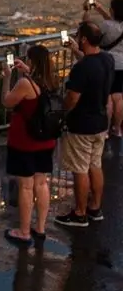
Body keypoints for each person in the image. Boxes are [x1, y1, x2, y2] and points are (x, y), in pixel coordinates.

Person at [55, 21, 114, 229]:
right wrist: (75, 51)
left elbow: (73, 97)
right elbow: (92, 65)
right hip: (100, 123)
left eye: (78, 36)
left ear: (84, 39)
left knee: (80, 169)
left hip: (81, 125)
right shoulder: (107, 59)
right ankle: (95, 208)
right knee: (95, 165)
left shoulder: (81, 68)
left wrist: (62, 112)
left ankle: (79, 213)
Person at [2, 45, 59, 246]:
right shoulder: (52, 80)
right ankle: (40, 228)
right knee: (41, 183)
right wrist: (27, 71)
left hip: (25, 141)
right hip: (46, 140)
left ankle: (24, 231)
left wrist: (7, 78)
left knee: (26, 186)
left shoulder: (25, 84)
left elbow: (7, 102)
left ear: (32, 61)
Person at [85, 0, 123, 136]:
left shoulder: (106, 25)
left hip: (107, 63)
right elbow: (114, 23)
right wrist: (100, 9)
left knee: (107, 98)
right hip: (121, 65)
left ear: (112, 10)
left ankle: (105, 130)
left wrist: (87, 10)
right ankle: (117, 129)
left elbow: (89, 29)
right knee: (118, 97)